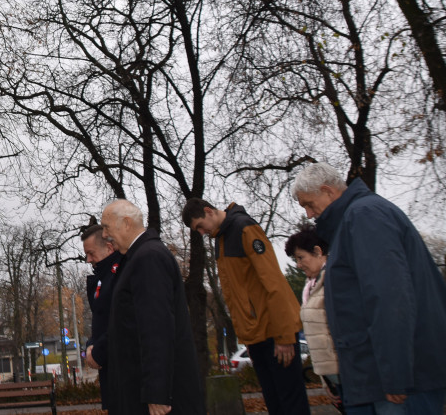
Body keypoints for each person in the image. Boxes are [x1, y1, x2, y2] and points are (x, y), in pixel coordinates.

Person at [292, 162, 446, 415]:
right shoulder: (357, 218)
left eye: (309, 204)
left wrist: (396, 373)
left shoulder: (364, 217)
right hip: (385, 374)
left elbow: (389, 298)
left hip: (400, 381)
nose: (309, 214)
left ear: (327, 191)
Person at [181, 198, 310, 415]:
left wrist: (285, 335)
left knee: (292, 405)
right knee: (276, 404)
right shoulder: (220, 239)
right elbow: (235, 296)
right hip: (257, 337)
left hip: (276, 334)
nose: (201, 232)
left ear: (208, 211)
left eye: (200, 226)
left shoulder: (244, 227)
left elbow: (273, 283)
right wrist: (247, 337)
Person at [100, 200, 204, 415]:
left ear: (126, 223)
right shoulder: (139, 257)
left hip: (159, 401)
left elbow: (157, 329)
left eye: (106, 227)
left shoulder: (148, 258)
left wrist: (157, 392)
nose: (103, 235)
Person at [285, 226, 343, 413]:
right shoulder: (311, 286)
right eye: (296, 260)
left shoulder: (335, 280)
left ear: (318, 252)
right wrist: (325, 380)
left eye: (301, 258)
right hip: (334, 378)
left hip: (349, 376)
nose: (299, 265)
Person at [81, 217, 122, 412]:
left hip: (123, 370)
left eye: (90, 253)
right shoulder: (102, 277)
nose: (88, 259)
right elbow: (101, 319)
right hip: (111, 371)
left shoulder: (121, 274)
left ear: (109, 247)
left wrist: (97, 351)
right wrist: (91, 345)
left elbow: (121, 322)